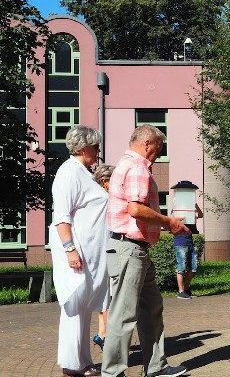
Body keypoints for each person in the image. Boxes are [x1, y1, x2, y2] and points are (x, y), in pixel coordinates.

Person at [102, 124, 190, 377]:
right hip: (130, 249)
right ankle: (113, 373)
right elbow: (136, 209)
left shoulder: (126, 164)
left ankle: (156, 367)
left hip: (134, 249)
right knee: (124, 314)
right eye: (159, 148)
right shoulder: (138, 167)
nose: (159, 155)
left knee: (151, 307)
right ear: (147, 143)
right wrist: (168, 222)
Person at [49, 125, 109, 376]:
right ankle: (72, 364)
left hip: (87, 252)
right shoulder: (69, 172)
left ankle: (82, 361)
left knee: (82, 307)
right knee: (74, 305)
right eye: (96, 147)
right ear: (84, 147)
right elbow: (62, 216)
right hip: (76, 251)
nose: (98, 152)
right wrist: (70, 250)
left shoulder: (83, 172)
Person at [91, 164, 115, 351]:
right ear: (105, 182)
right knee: (107, 295)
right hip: (107, 249)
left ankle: (101, 334)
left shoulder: (93, 199)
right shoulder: (106, 199)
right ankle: (106, 336)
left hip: (99, 250)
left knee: (103, 295)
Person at [173, 204, 203, 299]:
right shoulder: (176, 212)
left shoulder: (190, 214)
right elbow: (170, 221)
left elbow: (200, 215)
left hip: (190, 243)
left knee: (194, 268)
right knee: (181, 267)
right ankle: (181, 291)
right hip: (180, 243)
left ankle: (186, 289)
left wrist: (194, 205)